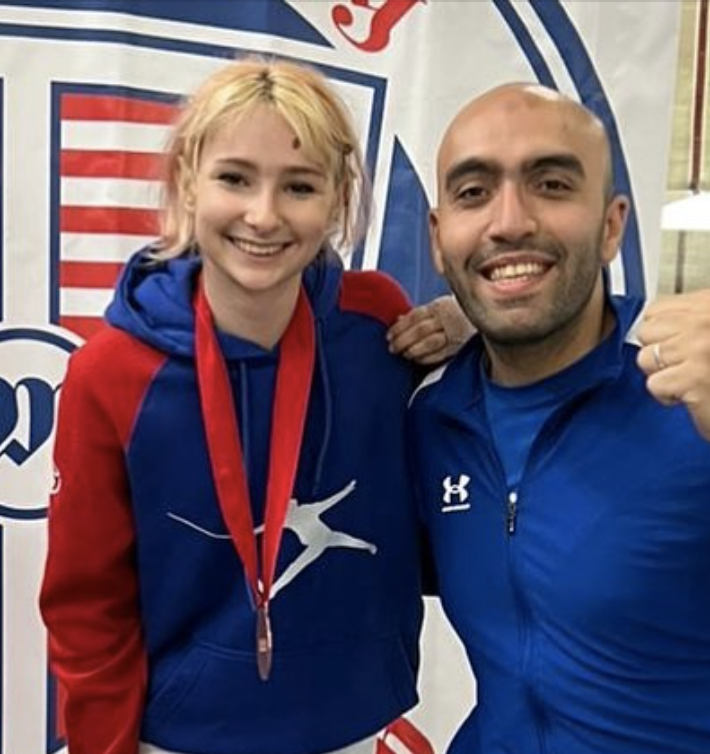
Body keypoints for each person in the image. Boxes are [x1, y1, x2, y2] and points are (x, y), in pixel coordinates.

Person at [39, 56, 469, 754]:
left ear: (337, 199)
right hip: (181, 738)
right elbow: (86, 605)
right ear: (188, 180)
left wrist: (476, 324)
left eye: (298, 186)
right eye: (235, 178)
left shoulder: (377, 324)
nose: (263, 216)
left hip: (352, 724)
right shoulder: (111, 372)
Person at [409, 82, 710, 754]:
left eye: (550, 184)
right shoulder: (431, 420)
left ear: (611, 226)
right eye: (473, 192)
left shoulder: (690, 400)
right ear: (439, 240)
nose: (510, 222)